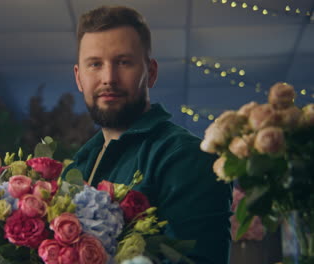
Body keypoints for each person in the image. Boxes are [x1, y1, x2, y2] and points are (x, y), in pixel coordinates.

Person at [64, 5, 232, 264]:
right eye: (95, 64)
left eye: (123, 62)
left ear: (150, 72)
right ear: (79, 78)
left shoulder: (187, 157)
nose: (109, 78)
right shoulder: (77, 165)